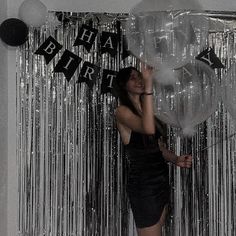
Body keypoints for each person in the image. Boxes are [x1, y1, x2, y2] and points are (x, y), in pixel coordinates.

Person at [114, 64, 192, 236]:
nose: (139, 80)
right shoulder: (122, 111)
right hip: (144, 185)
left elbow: (157, 147)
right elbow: (147, 129)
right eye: (132, 77)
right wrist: (149, 86)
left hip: (160, 180)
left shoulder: (149, 111)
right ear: (123, 85)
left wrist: (175, 159)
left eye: (139, 76)